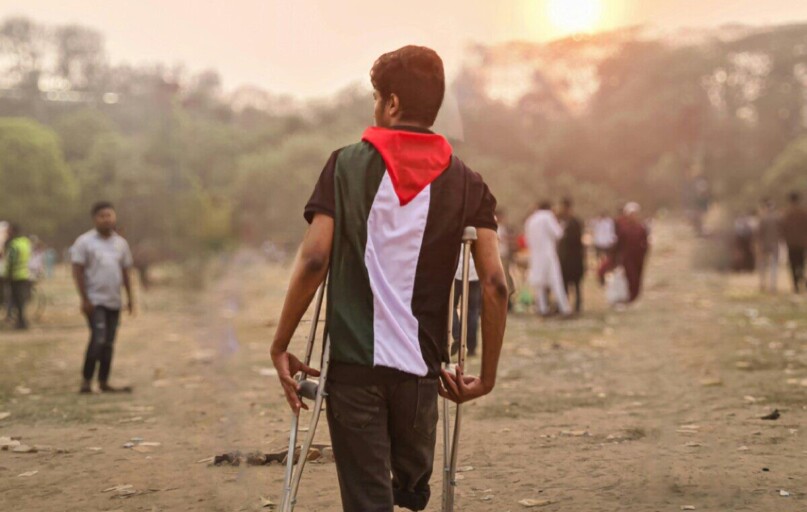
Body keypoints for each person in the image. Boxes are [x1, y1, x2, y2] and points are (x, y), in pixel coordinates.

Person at [269, 45, 508, 512]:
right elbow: (496, 285)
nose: (375, 108)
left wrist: (280, 344)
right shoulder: (468, 182)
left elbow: (315, 260)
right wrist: (489, 378)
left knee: (368, 502)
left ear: (392, 103)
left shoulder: (344, 165)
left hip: (354, 372)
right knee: (411, 493)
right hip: (422, 375)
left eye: (377, 98)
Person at [70, 202, 135, 394]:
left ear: (114, 217)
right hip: (94, 300)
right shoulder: (84, 242)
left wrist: (131, 299)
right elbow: (77, 272)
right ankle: (86, 381)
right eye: (102, 216)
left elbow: (125, 272)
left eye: (109, 215)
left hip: (114, 300)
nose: (106, 219)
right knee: (98, 339)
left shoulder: (120, 243)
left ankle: (104, 382)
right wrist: (84, 299)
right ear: (94, 219)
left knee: (108, 342)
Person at [524, 201, 571, 316]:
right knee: (556, 281)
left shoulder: (530, 220)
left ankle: (543, 308)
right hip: (548, 254)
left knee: (539, 284)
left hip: (535, 255)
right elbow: (558, 233)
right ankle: (565, 308)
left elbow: (527, 240)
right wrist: (563, 225)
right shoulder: (547, 217)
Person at [614, 203, 650, 302]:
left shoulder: (641, 228)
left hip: (638, 257)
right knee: (631, 276)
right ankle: (630, 296)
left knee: (638, 277)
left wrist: (644, 252)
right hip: (627, 257)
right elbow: (619, 243)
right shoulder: (623, 228)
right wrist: (617, 256)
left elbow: (645, 242)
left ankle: (635, 295)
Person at [558, 197, 585, 313]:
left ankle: (578, 305)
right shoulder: (562, 222)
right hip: (565, 258)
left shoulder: (574, 222)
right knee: (565, 283)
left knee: (576, 284)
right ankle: (566, 305)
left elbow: (576, 241)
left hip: (574, 257)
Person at [451, 249, 480, 357]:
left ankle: (457, 335)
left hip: (457, 268)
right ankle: (471, 346)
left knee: (451, 306)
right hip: (474, 270)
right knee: (473, 310)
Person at [4, 224, 32, 330]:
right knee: (21, 301)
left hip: (15, 276)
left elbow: (11, 261)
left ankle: (21, 322)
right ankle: (22, 321)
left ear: (12, 232)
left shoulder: (14, 245)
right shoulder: (25, 242)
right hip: (25, 274)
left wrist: (7, 274)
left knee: (16, 300)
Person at [780, 191, 807, 293]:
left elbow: (783, 229)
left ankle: (796, 285)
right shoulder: (803, 213)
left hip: (791, 244)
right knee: (801, 263)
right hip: (802, 243)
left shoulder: (786, 213)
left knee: (793, 264)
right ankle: (802, 278)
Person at [756, 199, 780, 293]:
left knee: (763, 264)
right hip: (774, 243)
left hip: (764, 244)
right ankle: (773, 285)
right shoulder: (778, 217)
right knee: (773, 265)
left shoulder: (763, 218)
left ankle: (762, 283)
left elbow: (759, 233)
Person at [496, 209, 516, 310]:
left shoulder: (503, 228)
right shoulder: (497, 228)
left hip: (504, 256)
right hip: (500, 256)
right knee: (504, 280)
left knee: (508, 279)